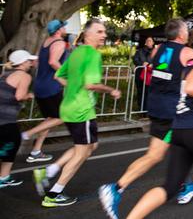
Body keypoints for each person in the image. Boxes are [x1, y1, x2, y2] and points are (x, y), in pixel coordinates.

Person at [126, 22, 193, 219]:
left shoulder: (189, 66)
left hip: (180, 130)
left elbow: (191, 86)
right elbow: (192, 87)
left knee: (171, 186)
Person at [99, 19, 193, 218]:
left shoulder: (158, 49)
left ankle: (183, 185)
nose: (188, 34)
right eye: (186, 31)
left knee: (177, 148)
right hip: (172, 111)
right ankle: (117, 188)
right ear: (181, 35)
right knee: (158, 154)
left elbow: (164, 71)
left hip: (156, 106)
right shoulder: (187, 53)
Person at [33, 18, 121, 207]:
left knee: (91, 146)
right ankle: (54, 194)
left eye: (104, 32)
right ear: (87, 34)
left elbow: (58, 75)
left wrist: (73, 87)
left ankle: (49, 170)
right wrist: (110, 90)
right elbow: (90, 85)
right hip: (82, 110)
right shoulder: (92, 55)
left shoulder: (75, 52)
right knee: (82, 152)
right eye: (99, 32)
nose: (104, 35)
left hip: (69, 106)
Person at [21, 19, 69, 163]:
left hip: (40, 84)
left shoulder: (46, 42)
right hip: (51, 86)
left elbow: (37, 62)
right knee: (62, 116)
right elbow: (52, 62)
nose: (66, 29)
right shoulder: (59, 43)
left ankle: (36, 151)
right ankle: (27, 134)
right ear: (59, 30)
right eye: (64, 27)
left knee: (49, 119)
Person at [0, 50, 38, 188]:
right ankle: (3, 178)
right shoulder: (24, 76)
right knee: (12, 143)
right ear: (22, 63)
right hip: (6, 117)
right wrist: (30, 95)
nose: (30, 63)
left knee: (10, 144)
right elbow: (19, 96)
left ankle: (4, 177)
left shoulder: (5, 73)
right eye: (28, 61)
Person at [133, 37, 154, 111]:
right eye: (148, 41)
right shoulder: (139, 51)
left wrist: (152, 64)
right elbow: (135, 60)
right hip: (140, 76)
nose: (150, 42)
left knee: (148, 93)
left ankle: (147, 110)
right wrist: (142, 64)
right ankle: (141, 109)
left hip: (149, 77)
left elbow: (159, 62)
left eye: (151, 41)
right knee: (140, 92)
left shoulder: (154, 52)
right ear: (145, 43)